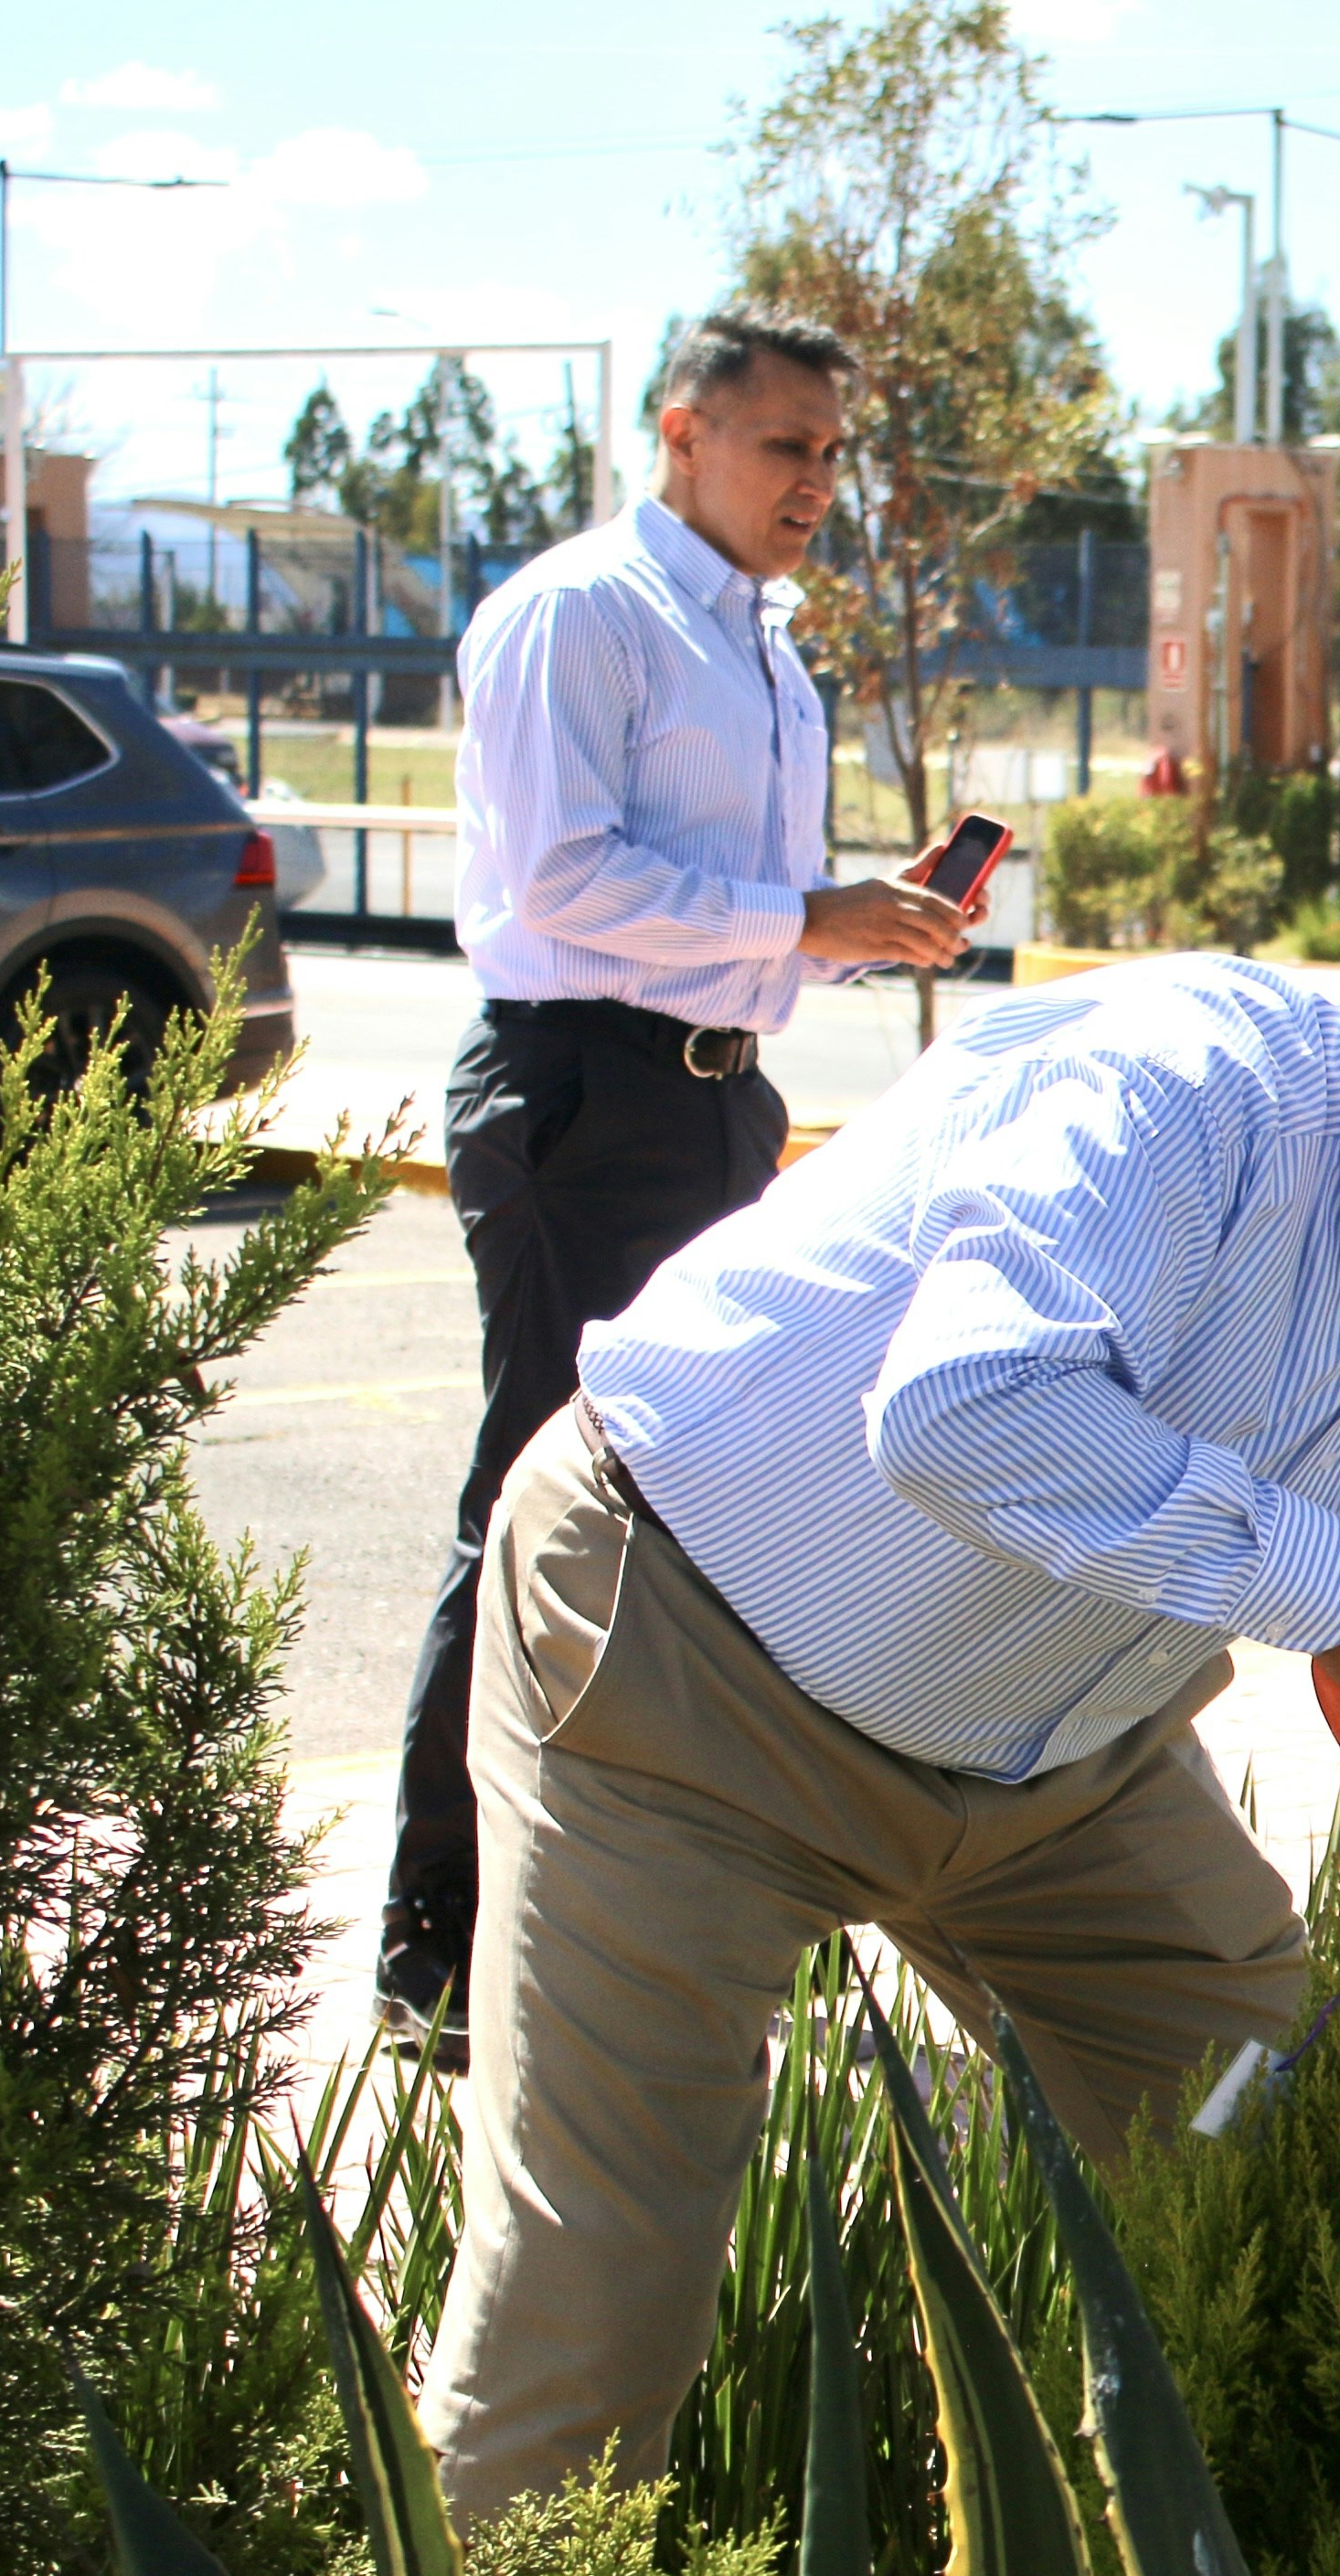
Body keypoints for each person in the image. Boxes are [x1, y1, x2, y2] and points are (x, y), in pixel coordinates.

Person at [415, 883, 1340, 2519]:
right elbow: (965, 1406)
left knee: (1271, 2170)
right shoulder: (1185, 1091)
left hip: (1054, 1761)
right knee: (596, 2300)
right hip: (683, 1676)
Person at [375, 307, 993, 2060]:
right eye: (785, 445)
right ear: (681, 433)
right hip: (582, 1100)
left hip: (722, 1105)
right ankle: (440, 1949)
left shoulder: (762, 650)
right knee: (534, 1498)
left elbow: (725, 916)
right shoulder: (584, 612)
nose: (816, 483)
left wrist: (847, 928)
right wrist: (801, 920)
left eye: (831, 453)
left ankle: (648, 1923)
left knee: (705, 1512)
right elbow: (568, 884)